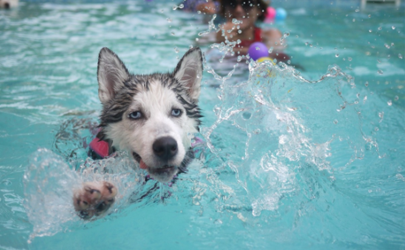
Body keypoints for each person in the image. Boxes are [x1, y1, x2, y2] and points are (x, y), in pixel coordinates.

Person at [216, 0, 289, 62]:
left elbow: (276, 56)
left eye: (247, 4)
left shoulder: (269, 35)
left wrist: (225, 49)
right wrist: (219, 41)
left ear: (259, 10)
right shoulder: (215, 36)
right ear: (224, 9)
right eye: (231, 3)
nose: (238, 10)